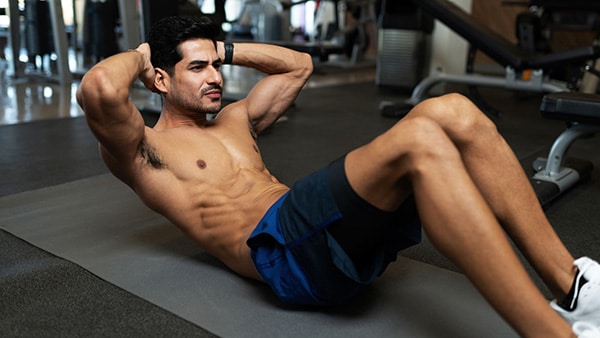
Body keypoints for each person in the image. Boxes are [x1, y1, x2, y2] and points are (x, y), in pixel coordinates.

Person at [76, 15, 600, 337]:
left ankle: (571, 285)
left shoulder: (237, 118)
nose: (215, 77)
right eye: (198, 69)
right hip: (283, 253)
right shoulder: (144, 149)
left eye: (216, 67)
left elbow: (298, 65)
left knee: (455, 110)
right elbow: (100, 88)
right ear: (161, 79)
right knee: (419, 141)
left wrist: (220, 48)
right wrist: (142, 55)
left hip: (330, 239)